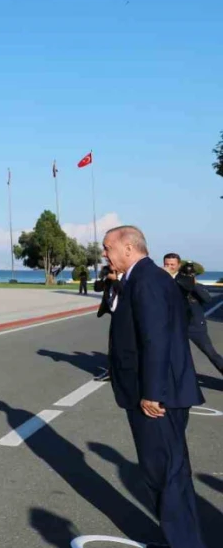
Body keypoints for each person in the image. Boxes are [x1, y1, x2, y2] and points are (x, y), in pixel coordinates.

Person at [102, 226, 206, 548]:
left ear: (129, 248)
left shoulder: (146, 280)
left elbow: (156, 339)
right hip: (161, 391)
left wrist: (152, 393)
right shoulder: (144, 278)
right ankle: (183, 539)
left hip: (157, 397)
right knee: (170, 473)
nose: (105, 255)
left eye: (108, 248)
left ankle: (183, 542)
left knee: (165, 476)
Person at [164, 254, 223, 376]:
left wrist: (193, 283)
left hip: (194, 325)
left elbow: (207, 299)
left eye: (172, 265)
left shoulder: (188, 281)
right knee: (167, 353)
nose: (169, 267)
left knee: (210, 352)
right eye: (166, 264)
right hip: (173, 325)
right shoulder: (161, 281)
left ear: (179, 266)